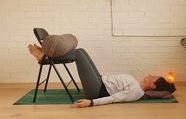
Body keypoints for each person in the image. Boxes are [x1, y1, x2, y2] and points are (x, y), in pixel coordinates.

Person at [28, 43, 176, 108]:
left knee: (78, 54)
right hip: (100, 80)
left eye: (153, 77)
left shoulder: (136, 92)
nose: (150, 74)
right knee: (82, 50)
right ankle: (48, 56)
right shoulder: (136, 85)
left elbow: (114, 99)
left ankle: (45, 58)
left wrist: (91, 103)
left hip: (96, 90)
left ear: (153, 85)